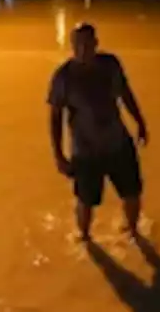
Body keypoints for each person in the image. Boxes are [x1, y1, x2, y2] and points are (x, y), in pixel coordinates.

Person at [48, 22, 149, 241]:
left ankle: (134, 233)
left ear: (96, 43)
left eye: (88, 44)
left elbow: (126, 94)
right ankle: (84, 237)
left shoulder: (110, 65)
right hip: (85, 151)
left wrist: (140, 122)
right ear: (72, 46)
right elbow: (55, 117)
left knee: (132, 192)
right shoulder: (63, 77)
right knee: (86, 201)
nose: (83, 50)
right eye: (78, 45)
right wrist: (58, 155)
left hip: (118, 142)